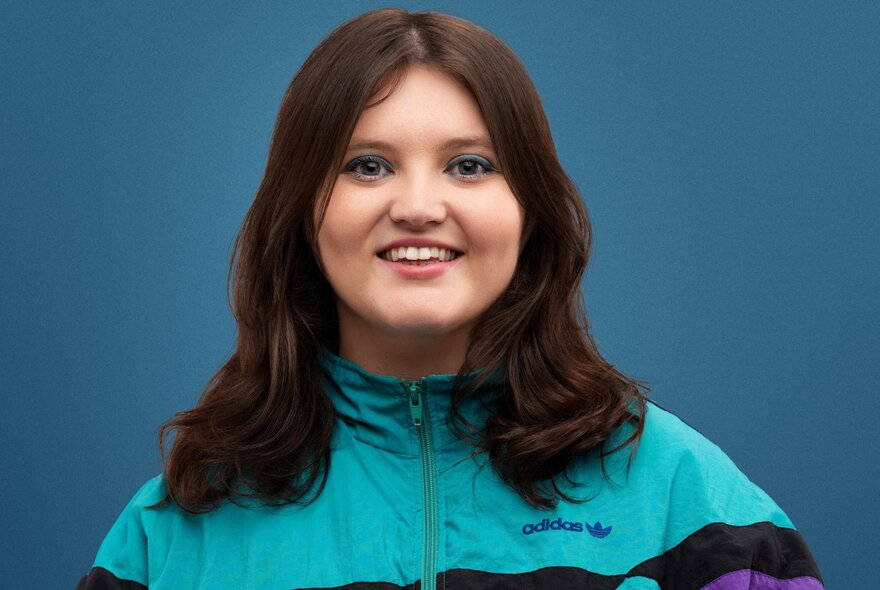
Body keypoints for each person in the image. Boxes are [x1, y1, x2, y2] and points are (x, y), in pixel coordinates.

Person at [78, 8, 823, 590]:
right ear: (302, 212)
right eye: (368, 166)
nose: (419, 206)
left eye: (469, 165)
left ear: (529, 212)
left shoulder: (685, 501)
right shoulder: (173, 536)